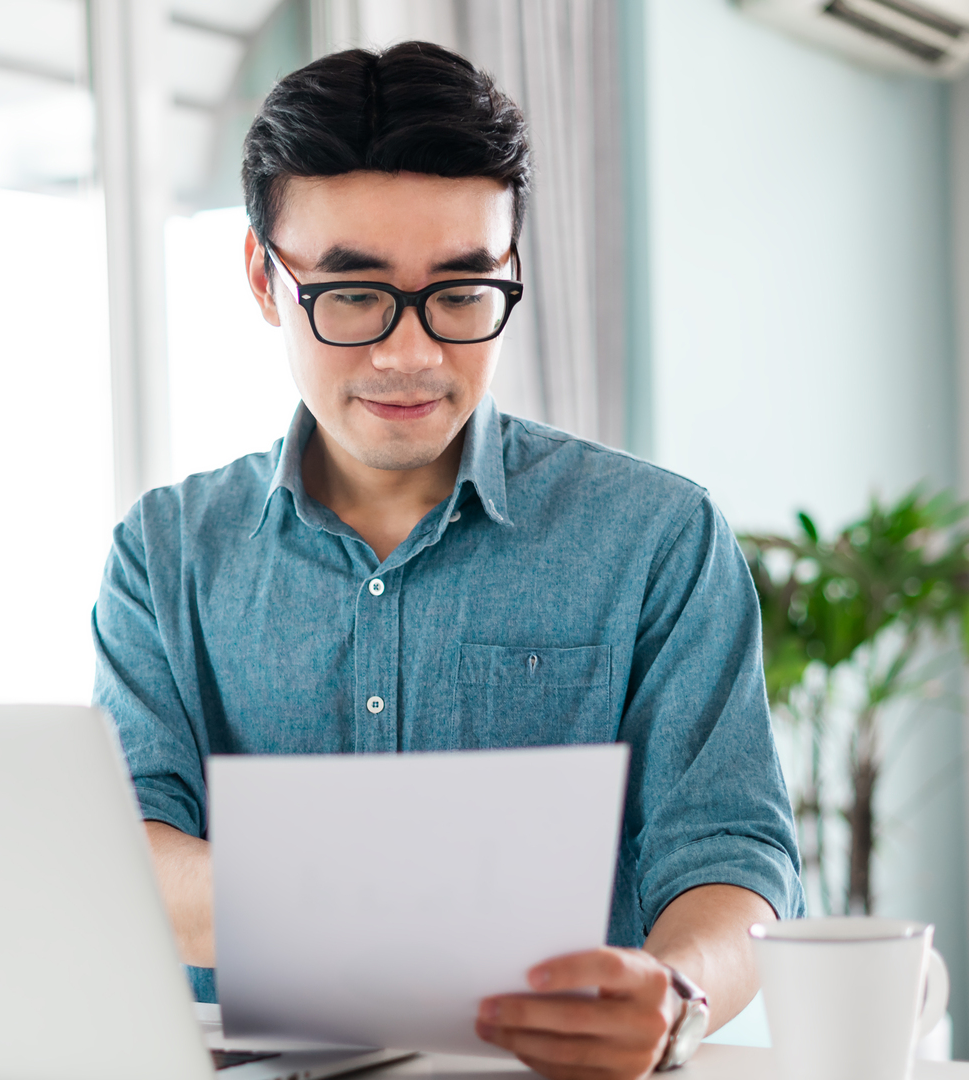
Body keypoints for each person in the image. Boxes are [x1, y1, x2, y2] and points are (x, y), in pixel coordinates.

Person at [93, 41, 802, 1080]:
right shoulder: (164, 554)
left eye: (463, 292)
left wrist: (678, 998)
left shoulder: (657, 536)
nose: (410, 355)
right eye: (353, 295)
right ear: (263, 277)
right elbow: (128, 858)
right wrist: (411, 902)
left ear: (511, 268)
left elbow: (731, 858)